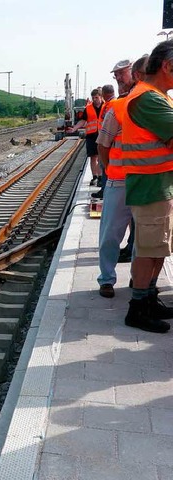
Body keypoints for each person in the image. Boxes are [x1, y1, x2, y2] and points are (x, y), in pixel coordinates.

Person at [120, 40, 173, 333]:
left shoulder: (158, 96)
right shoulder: (147, 99)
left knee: (157, 248)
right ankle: (138, 308)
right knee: (148, 248)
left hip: (159, 183)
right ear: (167, 66)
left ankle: (150, 298)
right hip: (150, 185)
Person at [95, 59, 140, 299]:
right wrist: (110, 168)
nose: (119, 80)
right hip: (120, 180)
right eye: (116, 76)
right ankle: (107, 279)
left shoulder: (152, 105)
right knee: (111, 234)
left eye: (122, 75)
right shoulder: (118, 108)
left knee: (141, 236)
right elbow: (103, 144)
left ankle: (138, 278)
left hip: (145, 182)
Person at [68, 89, 105, 187]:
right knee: (93, 157)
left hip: (103, 135)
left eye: (96, 97)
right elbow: (83, 121)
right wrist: (74, 129)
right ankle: (95, 177)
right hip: (91, 136)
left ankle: (101, 177)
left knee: (101, 157)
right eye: (93, 98)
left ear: (101, 97)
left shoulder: (106, 107)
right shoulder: (88, 108)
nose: (95, 99)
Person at [91, 84, 117, 199]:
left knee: (106, 167)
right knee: (104, 167)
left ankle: (105, 190)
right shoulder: (110, 104)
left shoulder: (110, 105)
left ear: (104, 95)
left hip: (107, 142)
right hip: (105, 140)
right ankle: (104, 190)